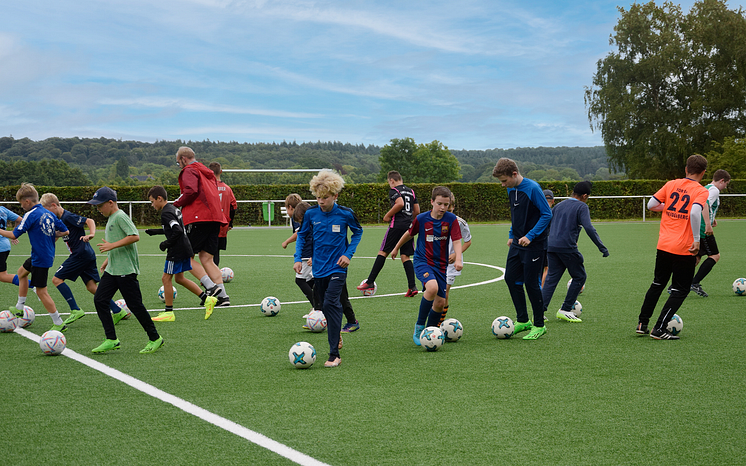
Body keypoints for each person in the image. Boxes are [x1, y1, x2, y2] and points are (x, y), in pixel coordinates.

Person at [294, 170, 363, 367]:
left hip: (338, 268)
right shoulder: (310, 214)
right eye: (318, 198)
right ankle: (335, 332)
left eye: (325, 198)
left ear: (335, 196)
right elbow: (302, 236)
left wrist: (347, 255)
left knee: (332, 303)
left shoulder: (345, 214)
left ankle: (334, 355)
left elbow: (358, 232)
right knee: (322, 305)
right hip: (319, 269)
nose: (321, 201)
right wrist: (298, 258)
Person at [636, 154, 710, 340]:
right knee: (681, 289)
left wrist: (669, 207)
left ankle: (642, 323)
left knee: (658, 283)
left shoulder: (671, 184)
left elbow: (652, 205)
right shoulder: (701, 191)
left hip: (663, 245)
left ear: (686, 169)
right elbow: (694, 212)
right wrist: (696, 240)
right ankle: (659, 328)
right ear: (703, 173)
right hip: (683, 248)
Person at [87, 186, 164, 354]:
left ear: (110, 202)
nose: (98, 209)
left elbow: (134, 236)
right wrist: (109, 258)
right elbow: (119, 241)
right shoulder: (111, 217)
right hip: (113, 269)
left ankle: (155, 338)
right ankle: (111, 339)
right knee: (100, 300)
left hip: (126, 270)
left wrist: (111, 246)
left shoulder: (120, 216)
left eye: (100, 206)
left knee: (135, 305)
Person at [39, 193, 126, 326]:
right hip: (86, 254)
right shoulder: (58, 219)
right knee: (91, 287)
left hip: (80, 254)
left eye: (46, 210)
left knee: (56, 279)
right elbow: (58, 236)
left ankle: (75, 309)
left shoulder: (67, 216)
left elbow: (89, 221)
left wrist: (91, 234)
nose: (46, 214)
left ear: (54, 205)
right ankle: (117, 310)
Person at [391, 186, 462, 346]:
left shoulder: (451, 219)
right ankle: (419, 327)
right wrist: (396, 247)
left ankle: (430, 333)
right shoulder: (422, 219)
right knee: (431, 288)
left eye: (446, 204)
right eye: (439, 204)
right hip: (423, 261)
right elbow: (409, 234)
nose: (443, 207)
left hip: (441, 265)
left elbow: (457, 240)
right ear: (432, 202)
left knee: (440, 303)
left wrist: (458, 259)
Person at [492, 158, 552, 340]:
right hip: (518, 243)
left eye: (504, 180)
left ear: (514, 174)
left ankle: (539, 325)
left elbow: (547, 214)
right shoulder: (511, 189)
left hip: (534, 244)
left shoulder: (533, 188)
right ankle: (523, 320)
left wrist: (530, 236)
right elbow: (515, 214)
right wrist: (512, 234)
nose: (503, 185)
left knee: (531, 283)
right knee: (510, 278)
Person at [0, 183, 69, 332]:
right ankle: (19, 307)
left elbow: (13, 234)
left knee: (41, 291)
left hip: (40, 257)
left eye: (21, 203)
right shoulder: (48, 213)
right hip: (41, 254)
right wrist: (52, 235)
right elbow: (65, 231)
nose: (21, 206)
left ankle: (58, 322)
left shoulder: (30, 214)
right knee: (21, 272)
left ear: (27, 202)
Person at [145, 186, 219, 322]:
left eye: (152, 201)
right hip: (185, 247)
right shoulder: (173, 209)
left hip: (176, 250)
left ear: (159, 198)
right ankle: (207, 299)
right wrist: (155, 232)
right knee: (179, 278)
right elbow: (174, 228)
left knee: (166, 279)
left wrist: (165, 244)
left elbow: (177, 231)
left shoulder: (166, 213)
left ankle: (168, 312)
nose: (152, 204)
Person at [540, 182, 609, 323]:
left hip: (551, 247)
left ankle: (539, 312)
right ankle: (565, 309)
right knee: (579, 277)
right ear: (584, 196)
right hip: (567, 247)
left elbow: (547, 224)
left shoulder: (558, 205)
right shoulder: (582, 206)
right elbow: (589, 228)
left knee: (551, 280)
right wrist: (602, 247)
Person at [291, 201, 361, 334]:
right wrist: (301, 258)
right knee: (318, 293)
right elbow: (311, 241)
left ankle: (352, 321)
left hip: (337, 266)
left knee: (341, 295)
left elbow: (353, 233)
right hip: (320, 266)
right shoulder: (311, 223)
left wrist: (312, 256)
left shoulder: (336, 216)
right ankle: (318, 320)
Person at [174, 147, 230, 306]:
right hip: (215, 219)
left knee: (185, 256)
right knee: (207, 258)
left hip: (199, 218)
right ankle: (223, 297)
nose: (179, 165)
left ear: (184, 159)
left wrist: (175, 204)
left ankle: (210, 287)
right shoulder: (207, 172)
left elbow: (190, 191)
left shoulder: (189, 171)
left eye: (178, 162)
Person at [357, 171, 420, 296]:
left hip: (396, 225)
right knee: (405, 256)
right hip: (408, 226)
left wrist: (387, 215)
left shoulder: (394, 191)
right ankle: (412, 287)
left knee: (383, 252)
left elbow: (400, 203)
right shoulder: (411, 191)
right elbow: (417, 211)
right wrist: (408, 220)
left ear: (391, 180)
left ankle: (370, 281)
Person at [690, 169, 731, 297]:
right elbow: (705, 204)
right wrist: (708, 224)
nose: (725, 187)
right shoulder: (714, 190)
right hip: (703, 229)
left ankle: (677, 284)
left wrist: (712, 219)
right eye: (726, 184)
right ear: (722, 180)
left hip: (697, 226)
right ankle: (694, 283)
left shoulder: (706, 187)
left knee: (696, 257)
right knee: (714, 256)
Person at [439, 193, 471, 325]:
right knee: (434, 293)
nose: (447, 210)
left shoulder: (460, 222)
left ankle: (439, 323)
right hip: (435, 262)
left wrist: (456, 255)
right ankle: (433, 319)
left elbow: (468, 241)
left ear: (453, 207)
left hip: (451, 264)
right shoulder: (435, 220)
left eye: (449, 207)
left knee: (444, 293)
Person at [282, 194, 316, 311]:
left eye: (287, 209)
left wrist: (286, 241)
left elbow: (299, 234)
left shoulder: (298, 217)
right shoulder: (305, 215)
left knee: (300, 280)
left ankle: (317, 306)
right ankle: (319, 303)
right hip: (308, 253)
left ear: (290, 207)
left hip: (307, 254)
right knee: (310, 280)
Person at [209, 162, 237, 266]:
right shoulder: (227, 189)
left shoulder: (207, 188)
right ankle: (214, 277)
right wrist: (230, 224)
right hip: (222, 224)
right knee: (216, 251)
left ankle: (209, 278)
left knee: (206, 252)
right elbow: (233, 207)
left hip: (208, 223)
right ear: (221, 171)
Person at [0, 205, 22, 285]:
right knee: (2, 275)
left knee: (2, 276)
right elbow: (20, 220)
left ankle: (33, 285)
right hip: (5, 245)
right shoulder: (3, 209)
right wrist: (14, 234)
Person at [540, 189, 555, 288]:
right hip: (549, 243)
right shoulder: (553, 213)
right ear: (553, 201)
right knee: (547, 268)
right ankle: (540, 290)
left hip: (535, 243)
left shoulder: (537, 212)